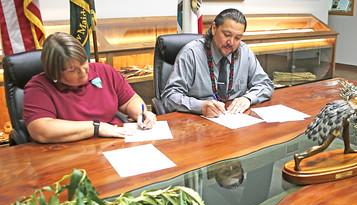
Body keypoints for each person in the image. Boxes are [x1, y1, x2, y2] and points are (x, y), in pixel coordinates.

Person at [24, 32, 156, 143]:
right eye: (72, 69)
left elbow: (129, 100)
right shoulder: (39, 87)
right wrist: (96, 127)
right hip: (70, 151)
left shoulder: (104, 71)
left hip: (114, 142)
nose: (83, 71)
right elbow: (41, 130)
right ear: (55, 72)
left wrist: (141, 113)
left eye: (83, 62)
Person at [162, 8, 274, 117]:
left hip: (234, 118)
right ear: (214, 28)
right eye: (227, 35)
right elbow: (170, 96)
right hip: (198, 122)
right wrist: (200, 106)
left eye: (237, 38)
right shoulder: (191, 53)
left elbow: (265, 84)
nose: (231, 42)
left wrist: (248, 98)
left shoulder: (245, 52)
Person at [294, 80, 357, 171]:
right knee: (324, 145)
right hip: (339, 117)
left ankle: (347, 148)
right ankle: (300, 157)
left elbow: (352, 99)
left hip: (337, 107)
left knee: (346, 124)